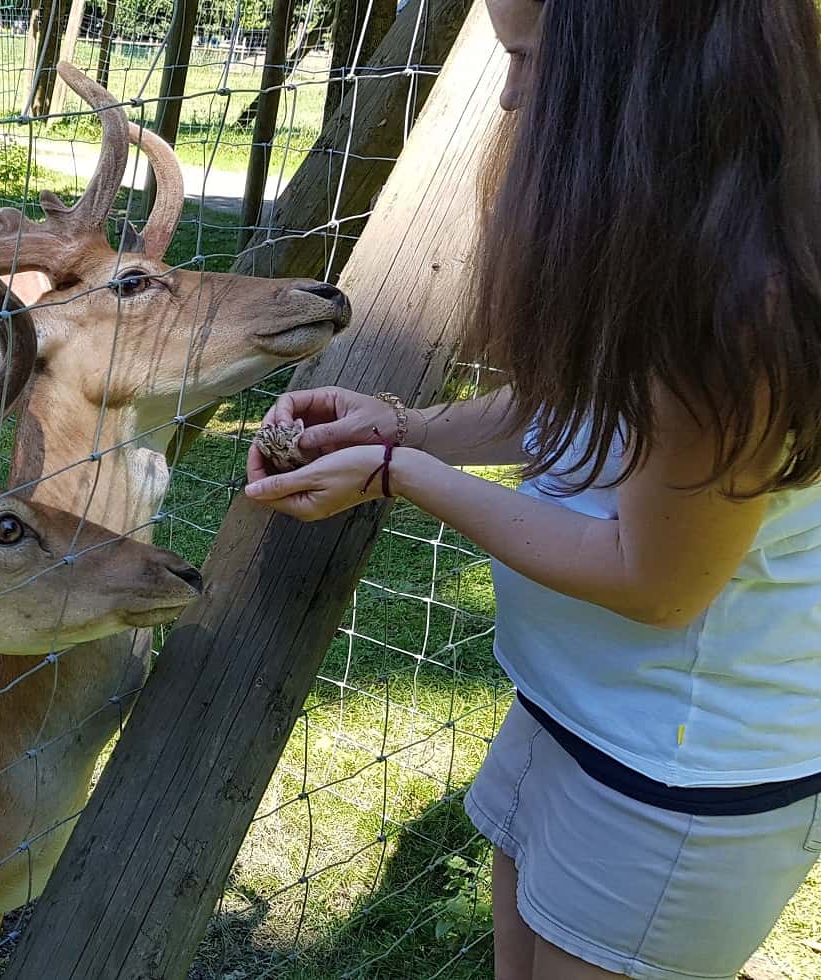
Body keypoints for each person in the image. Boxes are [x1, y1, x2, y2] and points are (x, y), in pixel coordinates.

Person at [241, 1, 821, 978]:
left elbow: (656, 580)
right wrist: (408, 425)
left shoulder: (744, 295)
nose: (508, 96)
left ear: (644, 65)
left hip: (674, 778)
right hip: (572, 707)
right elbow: (581, 408)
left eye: (529, 59)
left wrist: (397, 474)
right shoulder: (673, 221)